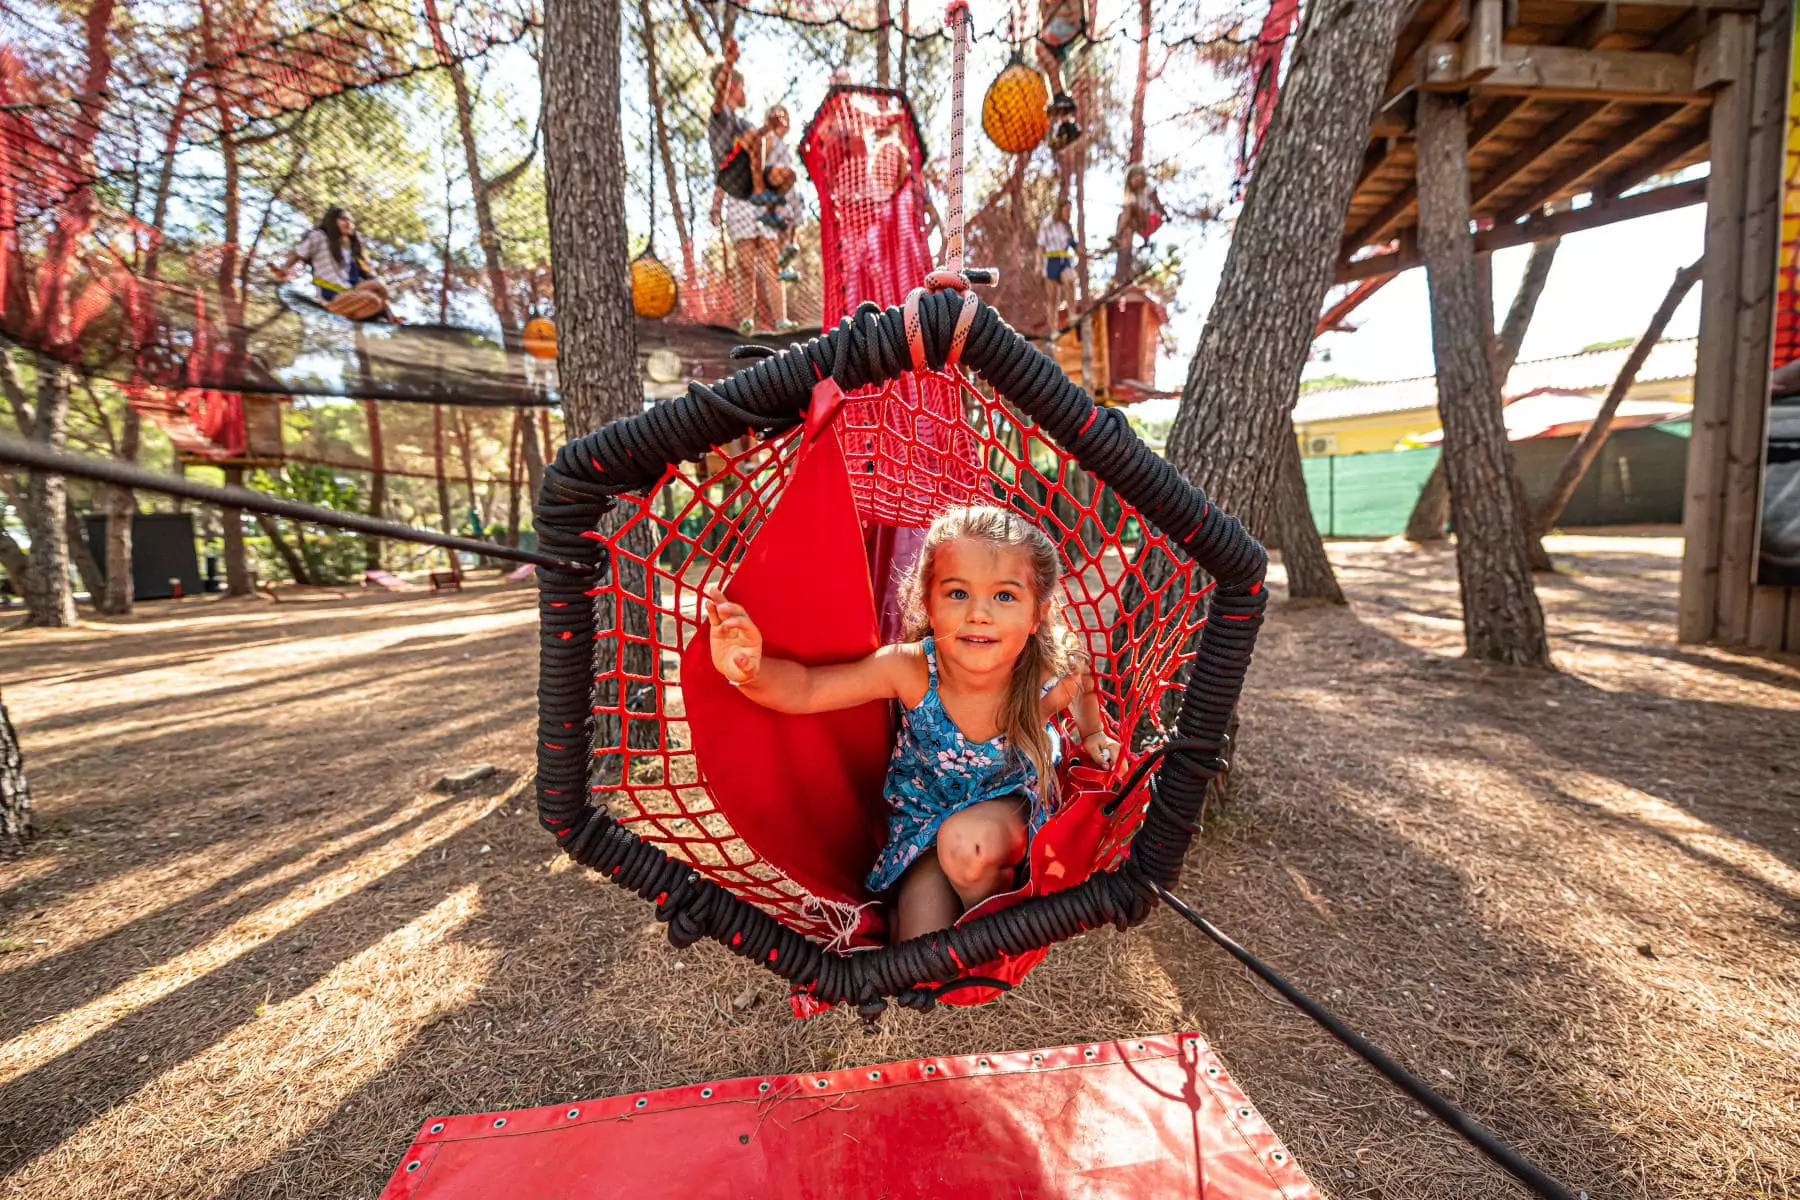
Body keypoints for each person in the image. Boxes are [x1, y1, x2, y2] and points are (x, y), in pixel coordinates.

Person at [704, 504, 1119, 942]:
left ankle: (998, 928)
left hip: (1005, 811)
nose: (979, 613)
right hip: (922, 826)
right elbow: (808, 688)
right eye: (958, 593)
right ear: (928, 602)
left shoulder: (1043, 677)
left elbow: (1081, 671)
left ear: (1036, 614)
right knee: (918, 953)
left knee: (968, 848)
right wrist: (749, 669)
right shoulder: (912, 669)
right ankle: (954, 913)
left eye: (1004, 596)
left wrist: (1092, 733)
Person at [272, 206, 397, 322]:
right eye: (343, 219)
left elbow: (371, 278)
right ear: (332, 220)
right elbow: (298, 254)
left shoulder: (354, 254)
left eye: (351, 221)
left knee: (379, 288)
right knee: (371, 299)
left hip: (352, 294)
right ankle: (333, 308)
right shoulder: (319, 236)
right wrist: (285, 269)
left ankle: (355, 315)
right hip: (332, 294)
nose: (349, 224)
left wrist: (391, 315)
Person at [1036, 0, 1084, 150]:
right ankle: (1065, 120)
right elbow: (1044, 11)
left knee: (1040, 47)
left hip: (1069, 21)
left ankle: (1060, 97)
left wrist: (1047, 22)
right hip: (1063, 23)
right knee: (1047, 59)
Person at [1113, 163, 1164, 284]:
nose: (1135, 179)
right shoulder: (1132, 197)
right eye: (1133, 177)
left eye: (1138, 176)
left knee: (1129, 208)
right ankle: (1125, 268)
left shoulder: (1147, 189)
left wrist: (1164, 214)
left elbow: (1157, 203)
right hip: (1141, 226)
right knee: (1123, 220)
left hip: (1151, 219)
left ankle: (1118, 235)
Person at [1037, 199, 1078, 338]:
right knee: (1053, 298)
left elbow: (1075, 244)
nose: (1068, 213)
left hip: (1064, 259)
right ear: (1060, 209)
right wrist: (1039, 263)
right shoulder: (1047, 224)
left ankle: (1072, 314)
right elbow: (1040, 245)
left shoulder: (1067, 227)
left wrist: (1088, 254)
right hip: (1051, 260)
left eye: (1070, 211)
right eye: (1066, 210)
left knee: (1070, 279)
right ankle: (1054, 330)